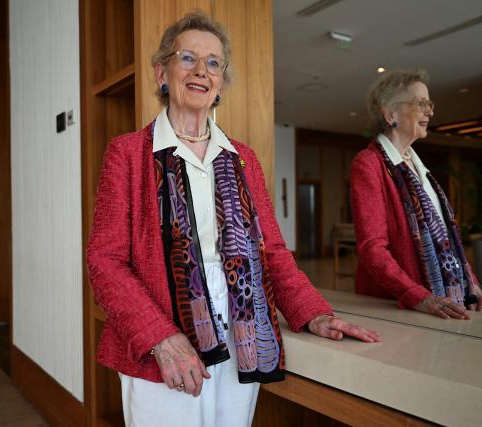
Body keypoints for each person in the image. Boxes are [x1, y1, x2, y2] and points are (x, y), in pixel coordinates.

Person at [87, 10, 380, 427]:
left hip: (242, 334)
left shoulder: (243, 159)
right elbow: (105, 260)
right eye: (187, 58)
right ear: (162, 73)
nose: (201, 71)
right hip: (164, 336)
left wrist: (314, 312)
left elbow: (273, 252)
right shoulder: (129, 153)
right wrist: (159, 338)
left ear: (221, 82)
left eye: (213, 63)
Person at [350, 69, 482, 320]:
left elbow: (448, 237)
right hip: (399, 308)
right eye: (421, 103)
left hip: (443, 302)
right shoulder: (368, 164)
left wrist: (471, 282)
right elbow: (372, 249)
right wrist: (418, 296)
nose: (430, 111)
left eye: (429, 103)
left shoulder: (419, 168)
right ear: (391, 113)